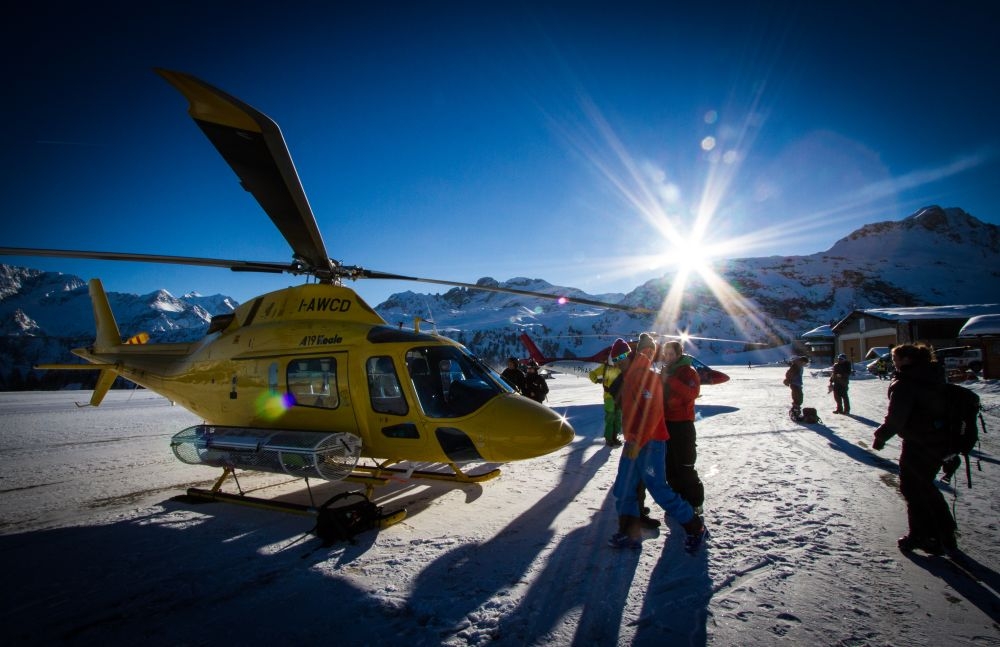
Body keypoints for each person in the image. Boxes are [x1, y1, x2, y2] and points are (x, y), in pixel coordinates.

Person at [607, 333, 706, 553]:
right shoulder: (630, 376)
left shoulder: (644, 375)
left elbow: (653, 414)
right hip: (633, 442)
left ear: (630, 354)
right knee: (623, 488)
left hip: (651, 442)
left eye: (623, 355)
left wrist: (638, 441)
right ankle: (629, 532)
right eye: (616, 358)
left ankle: (695, 527)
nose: (620, 360)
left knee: (659, 489)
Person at [872, 344, 956, 555]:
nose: (894, 362)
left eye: (895, 358)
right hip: (940, 440)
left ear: (907, 360)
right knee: (926, 486)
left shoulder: (907, 382)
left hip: (919, 442)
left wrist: (881, 436)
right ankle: (945, 532)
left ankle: (924, 536)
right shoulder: (933, 375)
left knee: (913, 489)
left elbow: (897, 418)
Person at [660, 340, 704, 514]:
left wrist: (670, 380)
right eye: (666, 354)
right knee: (670, 465)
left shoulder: (688, 371)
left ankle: (695, 502)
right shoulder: (665, 370)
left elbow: (692, 393)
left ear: (679, 355)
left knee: (685, 465)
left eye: (672, 354)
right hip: (667, 424)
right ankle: (677, 500)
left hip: (683, 425)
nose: (668, 357)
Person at [588, 338, 630, 447]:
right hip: (609, 397)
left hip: (620, 397)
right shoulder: (605, 367)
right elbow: (591, 373)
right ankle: (609, 439)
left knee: (617, 417)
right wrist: (596, 380)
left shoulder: (621, 367)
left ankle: (614, 437)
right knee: (610, 417)